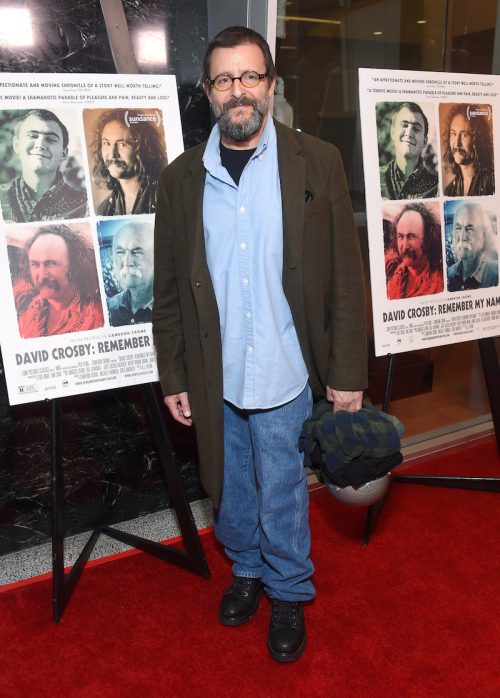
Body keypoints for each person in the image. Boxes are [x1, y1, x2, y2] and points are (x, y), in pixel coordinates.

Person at [152, 26, 367, 663]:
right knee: (228, 486)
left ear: (271, 84)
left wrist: (348, 372)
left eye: (250, 76)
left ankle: (289, 590)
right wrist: (174, 376)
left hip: (285, 366)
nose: (238, 90)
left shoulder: (318, 161)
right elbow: (169, 290)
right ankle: (246, 569)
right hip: (214, 372)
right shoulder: (180, 180)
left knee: (282, 488)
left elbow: (345, 277)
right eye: (225, 79)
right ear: (208, 90)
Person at [15, 224, 104, 337]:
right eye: (35, 264)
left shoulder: (96, 317)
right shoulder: (26, 309)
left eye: (51, 264)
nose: (42, 276)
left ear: (73, 265)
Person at [0, 109, 87, 223]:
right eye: (32, 136)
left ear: (63, 154)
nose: (40, 144)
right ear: (17, 145)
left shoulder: (85, 206)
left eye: (51, 139)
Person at [91, 109, 167, 216]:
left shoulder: (165, 196)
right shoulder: (104, 210)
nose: (112, 154)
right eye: (106, 143)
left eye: (122, 144)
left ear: (142, 147)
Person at [379, 102, 438, 200]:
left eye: (416, 128)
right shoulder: (376, 178)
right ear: (393, 132)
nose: (409, 132)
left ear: (424, 141)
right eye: (404, 125)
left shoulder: (437, 186)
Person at [385, 202, 443, 299]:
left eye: (411, 236)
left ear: (427, 238)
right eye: (400, 236)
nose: (405, 246)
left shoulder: (439, 284)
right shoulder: (393, 271)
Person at [107, 221, 154, 326]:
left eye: (137, 252)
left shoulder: (171, 307)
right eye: (120, 252)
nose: (127, 261)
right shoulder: (109, 307)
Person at [443, 104, 494, 196]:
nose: (457, 144)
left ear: (478, 139)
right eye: (453, 134)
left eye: (464, 135)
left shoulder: (492, 184)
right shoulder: (450, 191)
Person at [447, 202, 498, 291]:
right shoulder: (449, 274)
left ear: (484, 235)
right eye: (458, 228)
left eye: (469, 229)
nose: (462, 237)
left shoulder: (496, 274)